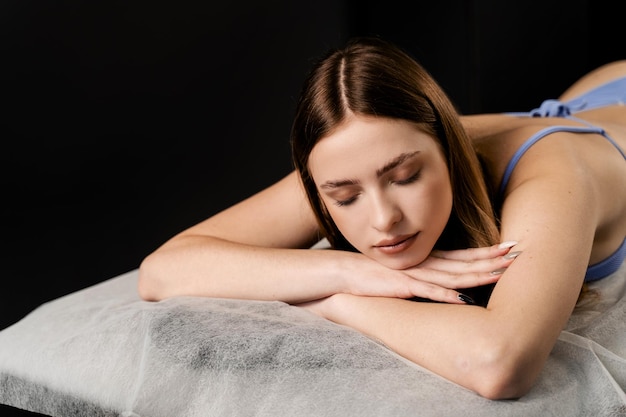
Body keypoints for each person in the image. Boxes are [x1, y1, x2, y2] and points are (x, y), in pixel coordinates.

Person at [138, 37, 626, 400]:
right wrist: (350, 271)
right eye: (346, 198)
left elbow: (500, 362)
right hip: (588, 98)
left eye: (407, 177)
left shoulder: (555, 174)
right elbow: (162, 270)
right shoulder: (353, 158)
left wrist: (338, 303)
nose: (383, 219)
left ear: (449, 150)